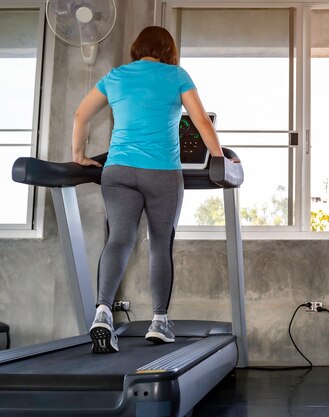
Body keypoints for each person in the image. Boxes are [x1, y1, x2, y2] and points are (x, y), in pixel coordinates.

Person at [72, 26, 226, 353]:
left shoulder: (116, 76)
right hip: (162, 173)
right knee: (160, 243)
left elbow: (81, 114)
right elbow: (200, 120)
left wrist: (78, 156)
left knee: (119, 239)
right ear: (167, 50)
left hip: (118, 170)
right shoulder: (175, 75)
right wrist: (218, 158)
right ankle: (159, 322)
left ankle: (102, 312)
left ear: (137, 47)